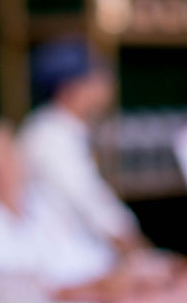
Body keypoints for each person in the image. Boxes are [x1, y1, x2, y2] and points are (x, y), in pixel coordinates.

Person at [0, 121, 123, 303]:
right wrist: (73, 289)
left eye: (2, 155)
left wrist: (114, 273)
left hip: (86, 302)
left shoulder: (43, 199)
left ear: (17, 156)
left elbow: (79, 251)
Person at [19, 41, 142, 259]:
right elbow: (98, 212)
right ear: (70, 88)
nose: (107, 85)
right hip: (62, 268)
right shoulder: (48, 136)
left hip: (84, 262)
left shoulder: (65, 130)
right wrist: (142, 256)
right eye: (96, 79)